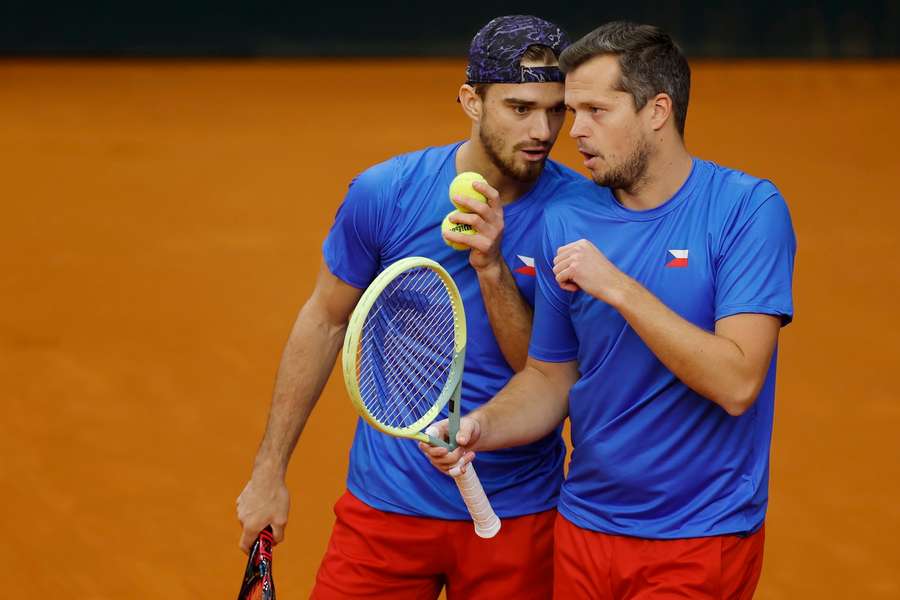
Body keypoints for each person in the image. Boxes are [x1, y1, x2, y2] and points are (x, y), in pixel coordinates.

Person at [422, 21, 797, 599]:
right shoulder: (566, 222)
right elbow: (550, 377)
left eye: (597, 110)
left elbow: (738, 380)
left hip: (698, 537)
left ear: (657, 110)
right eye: (574, 113)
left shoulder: (746, 210)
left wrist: (617, 286)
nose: (575, 132)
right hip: (586, 528)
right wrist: (480, 427)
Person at [236, 15, 588, 599]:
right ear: (471, 100)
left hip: (519, 514)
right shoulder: (386, 192)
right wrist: (268, 473)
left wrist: (492, 267)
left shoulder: (580, 214)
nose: (543, 130)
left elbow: (546, 373)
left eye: (557, 110)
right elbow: (325, 319)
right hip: (386, 508)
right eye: (520, 107)